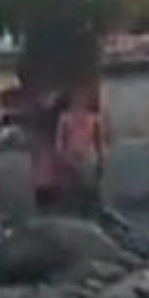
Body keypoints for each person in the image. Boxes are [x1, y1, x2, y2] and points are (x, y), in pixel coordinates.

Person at [56, 84, 105, 214]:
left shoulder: (93, 119)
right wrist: (63, 156)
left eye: (82, 100)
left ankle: (92, 211)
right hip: (71, 157)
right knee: (73, 190)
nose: (79, 102)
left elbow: (99, 141)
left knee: (90, 189)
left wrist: (101, 159)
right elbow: (60, 140)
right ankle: (75, 213)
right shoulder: (65, 118)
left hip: (89, 157)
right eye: (77, 99)